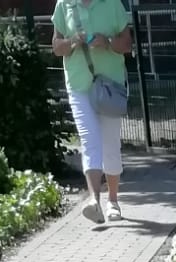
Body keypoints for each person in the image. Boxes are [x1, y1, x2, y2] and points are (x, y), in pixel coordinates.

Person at [51, 0, 132, 227]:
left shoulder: (112, 4)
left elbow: (127, 43)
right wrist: (72, 41)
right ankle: (94, 200)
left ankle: (113, 201)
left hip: (109, 86)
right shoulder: (64, 4)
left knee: (110, 144)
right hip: (79, 85)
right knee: (89, 140)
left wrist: (107, 42)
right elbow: (56, 47)